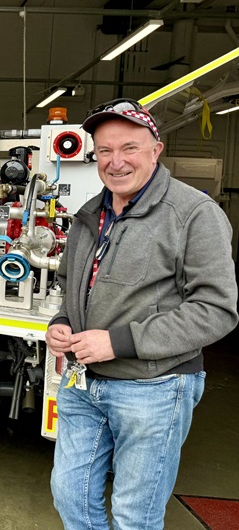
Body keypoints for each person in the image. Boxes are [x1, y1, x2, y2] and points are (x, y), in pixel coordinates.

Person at [46, 98, 238, 530]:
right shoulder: (90, 215)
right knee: (70, 496)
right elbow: (70, 285)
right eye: (105, 151)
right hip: (84, 382)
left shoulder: (194, 214)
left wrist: (117, 342)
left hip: (155, 387)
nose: (116, 162)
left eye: (129, 148)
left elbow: (216, 311)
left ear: (156, 150)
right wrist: (62, 323)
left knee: (136, 516)